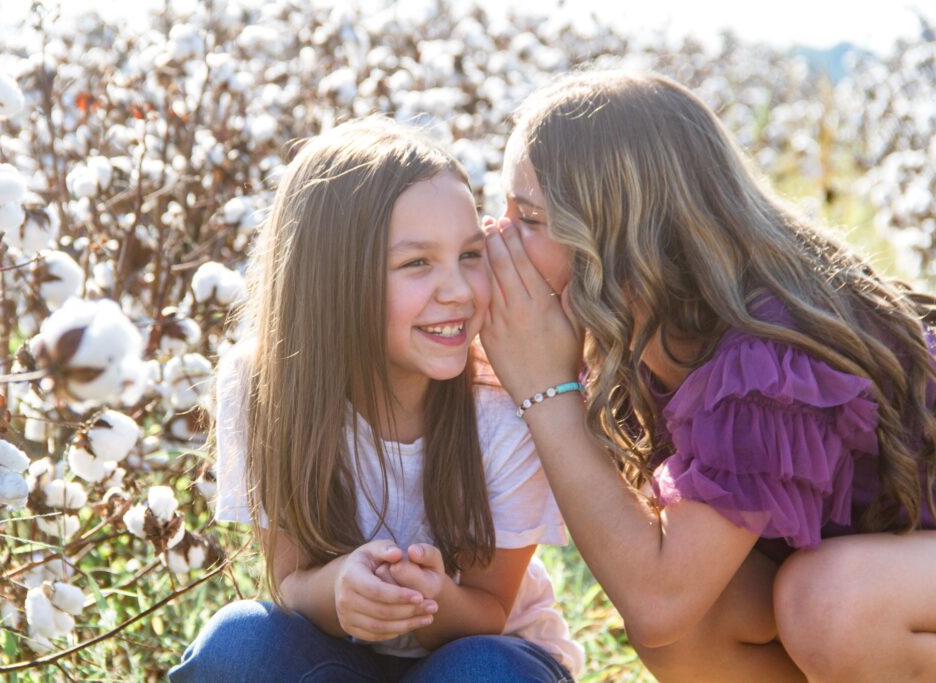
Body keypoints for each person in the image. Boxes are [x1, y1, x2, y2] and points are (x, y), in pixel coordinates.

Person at [481, 70, 936, 683]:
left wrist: (544, 391)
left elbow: (658, 601)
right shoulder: (649, 335)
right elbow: (670, 602)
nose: (499, 235)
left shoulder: (765, 355)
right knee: (703, 610)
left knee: (830, 603)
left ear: (622, 238)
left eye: (530, 218)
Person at [169, 118, 583, 682]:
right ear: (333, 279)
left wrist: (430, 598)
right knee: (240, 644)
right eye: (417, 263)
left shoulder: (503, 398)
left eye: (469, 255)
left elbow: (491, 609)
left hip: (486, 649)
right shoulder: (262, 385)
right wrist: (339, 590)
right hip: (333, 657)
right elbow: (290, 582)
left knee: (484, 672)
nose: (458, 291)